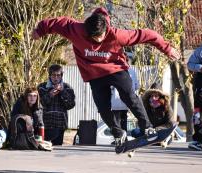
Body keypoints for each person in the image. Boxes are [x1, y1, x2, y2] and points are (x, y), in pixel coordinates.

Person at [32, 7, 181, 147]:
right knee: (102, 107)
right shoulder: (76, 29)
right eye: (94, 37)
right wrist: (40, 30)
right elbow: (55, 23)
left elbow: (147, 34)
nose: (97, 40)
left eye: (101, 37)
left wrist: (167, 48)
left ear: (106, 29)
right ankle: (118, 133)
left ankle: (148, 128)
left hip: (116, 69)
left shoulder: (117, 35)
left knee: (129, 96)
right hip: (94, 74)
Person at [38, 64, 75, 145]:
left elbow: (71, 105)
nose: (56, 78)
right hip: (46, 123)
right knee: (44, 146)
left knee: (58, 148)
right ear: (49, 75)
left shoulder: (67, 87)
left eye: (58, 75)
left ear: (61, 76)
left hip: (60, 123)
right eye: (53, 75)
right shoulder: (42, 87)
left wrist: (62, 92)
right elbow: (39, 104)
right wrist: (50, 94)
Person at [111, 54, 139, 134]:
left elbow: (110, 86)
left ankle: (118, 138)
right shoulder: (132, 71)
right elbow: (137, 86)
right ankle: (124, 138)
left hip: (116, 101)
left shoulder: (115, 70)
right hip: (126, 100)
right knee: (124, 120)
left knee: (117, 121)